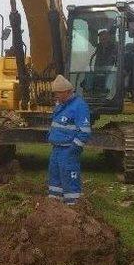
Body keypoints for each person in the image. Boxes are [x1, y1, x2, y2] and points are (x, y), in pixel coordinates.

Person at [47, 74, 92, 205]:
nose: (56, 96)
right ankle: (54, 206)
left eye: (58, 93)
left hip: (68, 150)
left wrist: (74, 148)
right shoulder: (61, 104)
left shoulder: (79, 106)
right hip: (57, 149)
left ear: (67, 92)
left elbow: (84, 132)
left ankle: (73, 208)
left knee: (69, 179)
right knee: (55, 179)